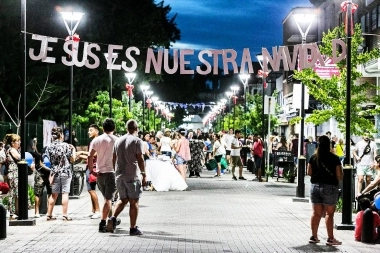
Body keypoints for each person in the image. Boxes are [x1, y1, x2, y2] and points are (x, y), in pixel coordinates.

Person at [107, 119, 146, 235]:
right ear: (137, 129)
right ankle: (133, 228)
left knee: (123, 199)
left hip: (119, 174)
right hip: (132, 175)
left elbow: (114, 158)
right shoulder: (137, 141)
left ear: (126, 128)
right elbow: (140, 158)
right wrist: (144, 174)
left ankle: (112, 218)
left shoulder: (118, 140)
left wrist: (116, 171)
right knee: (134, 201)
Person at [307, 135, 343, 245]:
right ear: (329, 145)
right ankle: (331, 239)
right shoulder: (334, 158)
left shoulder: (313, 157)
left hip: (315, 187)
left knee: (316, 213)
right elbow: (339, 175)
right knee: (329, 214)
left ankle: (314, 236)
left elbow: (309, 172)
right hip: (329, 187)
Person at [87, 118, 118, 233]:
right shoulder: (117, 140)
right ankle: (103, 222)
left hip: (100, 173)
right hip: (112, 172)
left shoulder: (96, 140)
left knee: (107, 198)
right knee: (109, 199)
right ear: (114, 128)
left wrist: (92, 170)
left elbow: (90, 156)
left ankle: (111, 219)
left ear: (103, 128)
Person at [43, 127, 76, 221]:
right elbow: (72, 159)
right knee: (65, 193)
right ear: (61, 135)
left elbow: (47, 160)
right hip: (65, 172)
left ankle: (49, 214)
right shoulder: (65, 145)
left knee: (54, 194)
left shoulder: (48, 147)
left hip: (54, 172)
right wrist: (73, 150)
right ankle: (65, 215)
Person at [82, 124, 101, 219]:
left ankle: (97, 211)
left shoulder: (96, 141)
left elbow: (95, 154)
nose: (88, 132)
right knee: (91, 189)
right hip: (90, 167)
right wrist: (80, 156)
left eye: (91, 130)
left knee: (91, 190)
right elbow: (90, 156)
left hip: (93, 168)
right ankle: (93, 210)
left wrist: (80, 153)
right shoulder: (93, 141)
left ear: (96, 132)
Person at [353, 133, 377, 197]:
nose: (366, 136)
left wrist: (374, 163)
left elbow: (375, 154)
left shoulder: (373, 144)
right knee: (360, 179)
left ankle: (366, 193)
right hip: (361, 164)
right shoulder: (359, 143)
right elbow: (354, 151)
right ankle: (358, 193)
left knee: (368, 180)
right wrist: (357, 157)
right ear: (362, 136)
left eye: (368, 135)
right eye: (365, 135)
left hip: (370, 164)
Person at [4, 134, 21, 219]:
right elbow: (19, 158)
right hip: (13, 173)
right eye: (17, 141)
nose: (19, 143)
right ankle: (12, 212)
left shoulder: (15, 149)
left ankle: (17, 211)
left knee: (17, 192)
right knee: (13, 193)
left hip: (16, 173)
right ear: (12, 143)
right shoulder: (12, 150)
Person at [33, 148, 52, 218]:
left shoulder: (53, 154)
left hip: (50, 174)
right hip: (41, 174)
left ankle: (50, 211)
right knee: (38, 192)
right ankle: (36, 211)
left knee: (51, 192)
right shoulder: (43, 154)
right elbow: (41, 164)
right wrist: (51, 170)